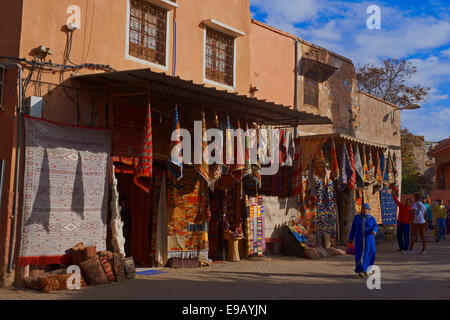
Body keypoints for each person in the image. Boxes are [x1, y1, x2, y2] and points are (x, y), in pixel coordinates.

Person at [349, 203, 378, 277]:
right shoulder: (357, 218)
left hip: (369, 240)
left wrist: (374, 231)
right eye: (364, 209)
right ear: (361, 209)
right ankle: (360, 270)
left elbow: (375, 226)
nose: (365, 210)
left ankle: (366, 270)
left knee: (369, 254)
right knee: (359, 254)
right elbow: (353, 229)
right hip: (359, 239)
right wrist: (350, 239)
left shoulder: (371, 218)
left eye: (367, 209)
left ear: (368, 210)